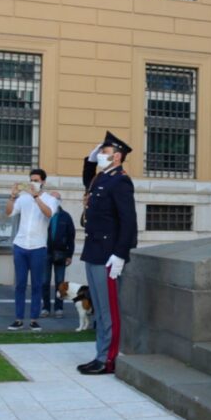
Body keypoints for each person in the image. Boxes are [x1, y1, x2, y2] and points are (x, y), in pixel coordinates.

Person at [77, 131, 138, 375]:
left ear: (118, 157)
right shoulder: (101, 179)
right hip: (93, 251)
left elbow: (128, 221)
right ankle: (100, 354)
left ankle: (109, 359)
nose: (101, 155)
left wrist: (120, 254)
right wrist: (90, 159)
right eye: (100, 152)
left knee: (108, 310)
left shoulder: (121, 181)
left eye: (105, 152)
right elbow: (86, 179)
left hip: (108, 255)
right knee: (99, 309)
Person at [5, 168, 59, 331]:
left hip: (38, 247)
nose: (33, 183)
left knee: (37, 284)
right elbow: (9, 213)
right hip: (20, 245)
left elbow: (49, 214)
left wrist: (36, 197)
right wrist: (12, 196)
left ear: (43, 182)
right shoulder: (23, 198)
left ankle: (34, 319)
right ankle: (19, 318)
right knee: (20, 284)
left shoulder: (50, 199)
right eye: (31, 180)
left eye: (36, 180)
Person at [42, 191, 75, 319]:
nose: (54, 201)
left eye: (57, 199)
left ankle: (59, 308)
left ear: (60, 201)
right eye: (52, 198)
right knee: (44, 282)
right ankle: (45, 307)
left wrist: (70, 255)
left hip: (61, 254)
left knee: (60, 282)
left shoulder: (66, 216)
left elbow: (71, 237)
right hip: (45, 253)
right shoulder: (44, 214)